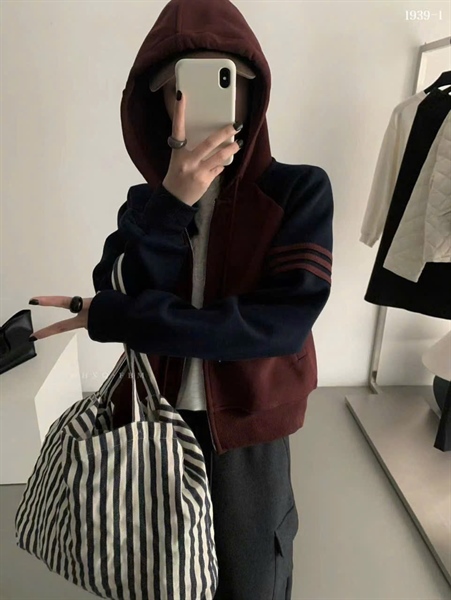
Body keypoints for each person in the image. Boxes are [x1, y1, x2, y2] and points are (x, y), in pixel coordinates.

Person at [28, 0, 334, 597]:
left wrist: (120, 319)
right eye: (179, 88)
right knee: (160, 574)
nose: (198, 103)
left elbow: (279, 326)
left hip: (250, 428)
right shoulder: (146, 204)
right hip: (154, 420)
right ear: (160, 102)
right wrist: (172, 203)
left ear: (253, 92)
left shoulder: (298, 191)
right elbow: (118, 284)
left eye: (224, 80)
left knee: (253, 576)